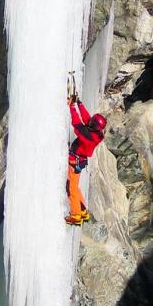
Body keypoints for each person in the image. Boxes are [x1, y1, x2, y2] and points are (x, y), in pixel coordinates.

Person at [65, 95, 107, 226]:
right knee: (74, 186)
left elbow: (77, 124)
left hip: (75, 161)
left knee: (71, 188)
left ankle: (76, 215)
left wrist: (72, 106)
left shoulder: (89, 137)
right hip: (78, 160)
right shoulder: (96, 132)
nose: (89, 122)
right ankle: (83, 211)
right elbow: (87, 119)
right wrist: (79, 103)